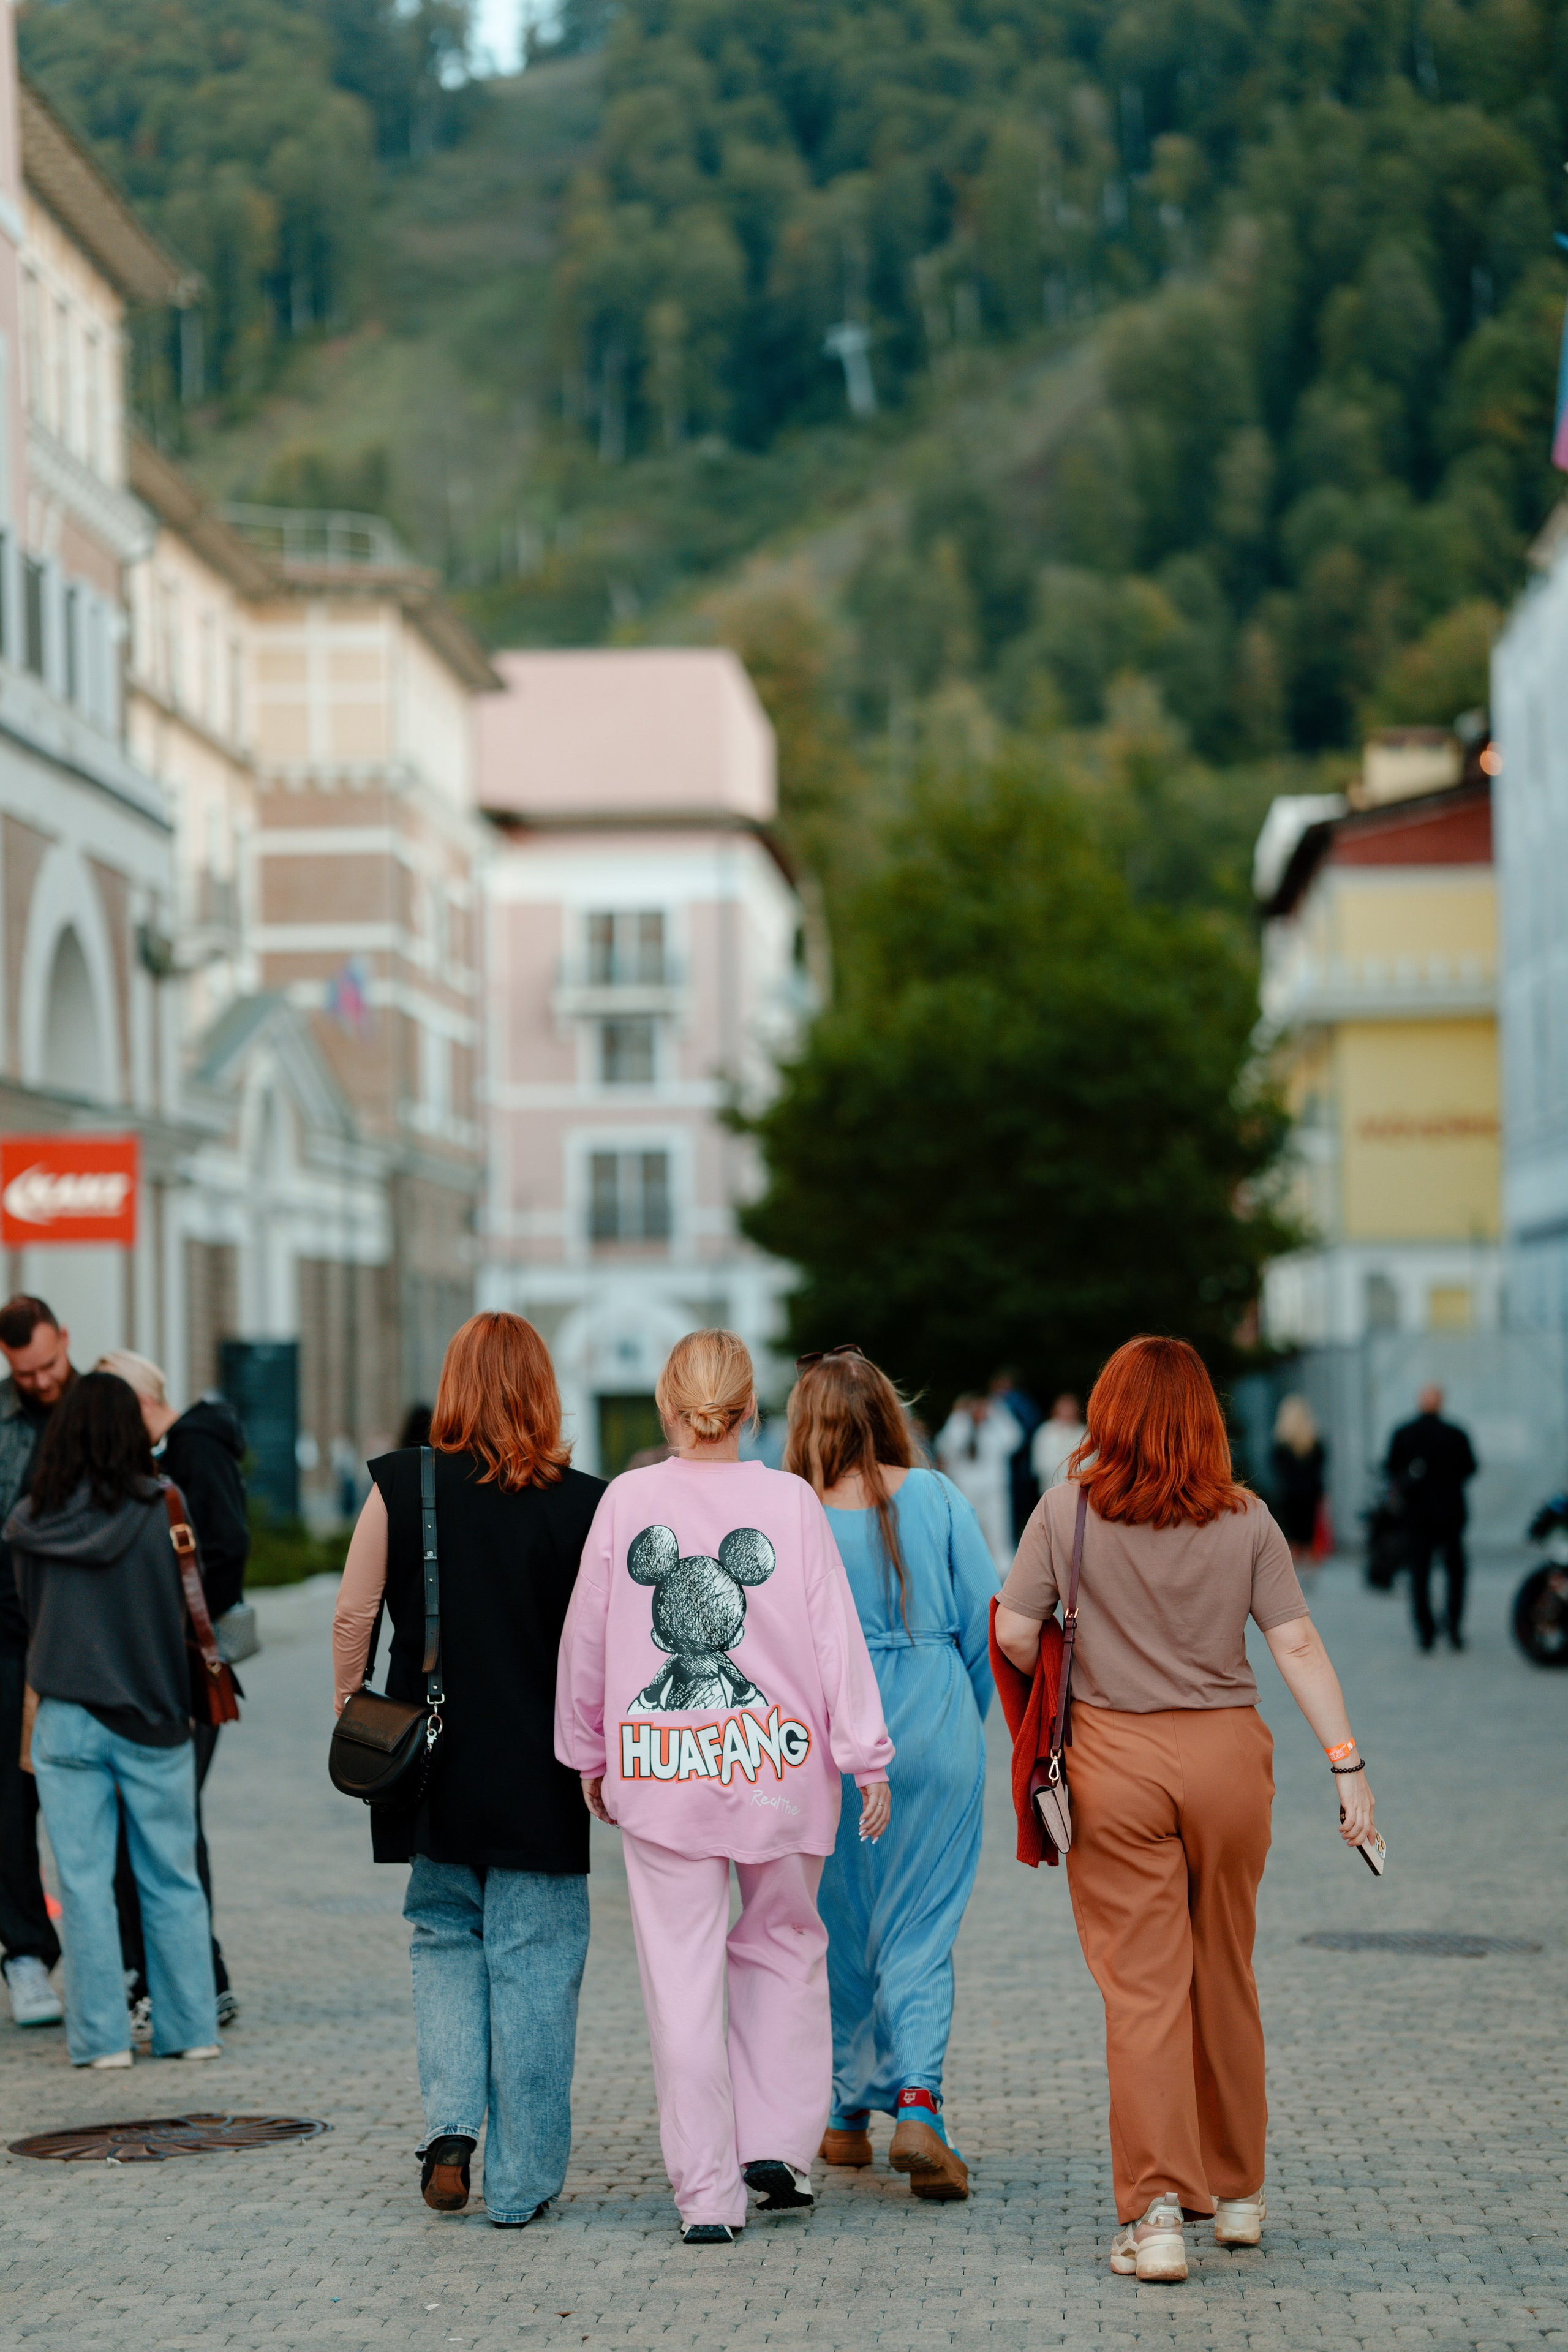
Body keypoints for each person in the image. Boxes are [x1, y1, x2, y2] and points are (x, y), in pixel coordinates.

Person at [994, 1336, 1376, 2283]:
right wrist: (1348, 1765)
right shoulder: (1248, 1518)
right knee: (1226, 1971)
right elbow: (1296, 1647)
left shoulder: (1066, 1512)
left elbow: (1009, 1627)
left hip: (1114, 1763)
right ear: (1205, 1418)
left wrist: (1065, 1650)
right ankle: (1239, 2195)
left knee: (1144, 1992)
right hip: (1228, 1763)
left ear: (1110, 1414)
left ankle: (1157, 2214)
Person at [555, 1329, 893, 2246]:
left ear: (670, 1408)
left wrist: (590, 1751)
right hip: (782, 1772)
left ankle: (708, 2195)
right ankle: (777, 2151)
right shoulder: (788, 1502)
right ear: (750, 1411)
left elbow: (588, 1639)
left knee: (682, 1980)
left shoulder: (627, 1501)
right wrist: (864, 1752)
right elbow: (835, 1636)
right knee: (785, 1949)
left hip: (662, 1778)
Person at [333, 1312, 604, 2228]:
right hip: (543, 1774)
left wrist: (351, 1710)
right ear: (541, 1387)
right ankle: (520, 2185)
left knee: (444, 1941)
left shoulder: (401, 1485)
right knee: (535, 1966)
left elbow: (351, 1614)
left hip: (431, 1765)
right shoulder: (587, 1503)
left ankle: (451, 2133)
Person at [787, 1346, 997, 2201]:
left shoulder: (791, 1512)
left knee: (836, 1926)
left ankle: (842, 2117)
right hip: (937, 1719)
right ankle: (917, 2102)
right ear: (887, 1413)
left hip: (832, 1739)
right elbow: (991, 1629)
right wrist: (960, 1727)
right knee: (921, 1929)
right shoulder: (940, 1497)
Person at [7, 1370, 219, 2068]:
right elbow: (190, 1605)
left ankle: (100, 2043)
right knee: (171, 1878)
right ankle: (189, 2031)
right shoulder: (164, 1504)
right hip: (153, 1714)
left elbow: (29, 1607)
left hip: (65, 1714)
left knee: (84, 1882)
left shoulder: (33, 1517)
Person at [97, 1351, 247, 2035]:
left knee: (167, 1825)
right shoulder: (180, 1448)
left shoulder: (193, 1448)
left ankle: (193, 1978)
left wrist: (181, 1632)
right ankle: (188, 1974)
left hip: (183, 1674)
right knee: (167, 1824)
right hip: (170, 1672)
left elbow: (224, 1546)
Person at [0, 1295, 75, 2030]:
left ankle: (129, 1961)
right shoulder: (1, 1419)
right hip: (10, 1635)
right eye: (26, 1373)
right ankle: (25, 1954)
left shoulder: (98, 1407)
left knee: (94, 1797)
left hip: (85, 1633)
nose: (42, 1381)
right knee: (8, 1803)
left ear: (67, 1342)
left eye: (50, 1364)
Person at [1386, 1385, 1477, 1653]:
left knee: (1420, 1574)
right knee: (1455, 1572)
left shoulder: (1404, 1433)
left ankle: (1425, 1632)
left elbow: (1391, 1469)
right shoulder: (1456, 1434)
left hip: (1417, 1516)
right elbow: (1470, 1468)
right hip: (1451, 1515)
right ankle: (1454, 1627)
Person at [933, 1393, 1021, 1572]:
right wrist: (959, 1416)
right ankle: (967, 1565)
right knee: (968, 1528)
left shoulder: (994, 1428)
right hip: (967, 1490)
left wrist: (997, 1413)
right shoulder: (961, 1427)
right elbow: (945, 1445)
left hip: (994, 1489)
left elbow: (1015, 1439)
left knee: (999, 1529)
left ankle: (1003, 1570)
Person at [1270, 1394, 1326, 1567]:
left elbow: (1277, 1470)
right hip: (1311, 1493)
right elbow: (1321, 1468)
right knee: (1309, 1532)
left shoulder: (1281, 1444)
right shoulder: (1315, 1443)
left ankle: (1293, 1569)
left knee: (1292, 1533)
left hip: (1289, 1493)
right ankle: (1310, 1567)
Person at [989, 1371, 1042, 1544]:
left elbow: (1025, 1432)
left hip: (1019, 1466)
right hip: (1009, 1467)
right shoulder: (996, 1403)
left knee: (1019, 1508)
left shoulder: (1015, 1402)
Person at [1031, 1392, 1087, 1494]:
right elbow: (1040, 1464)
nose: (1067, 1412)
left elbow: (1088, 1463)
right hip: (1050, 1487)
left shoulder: (1084, 1433)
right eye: (1064, 1408)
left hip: (1079, 1490)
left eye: (1070, 1408)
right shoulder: (1046, 1432)